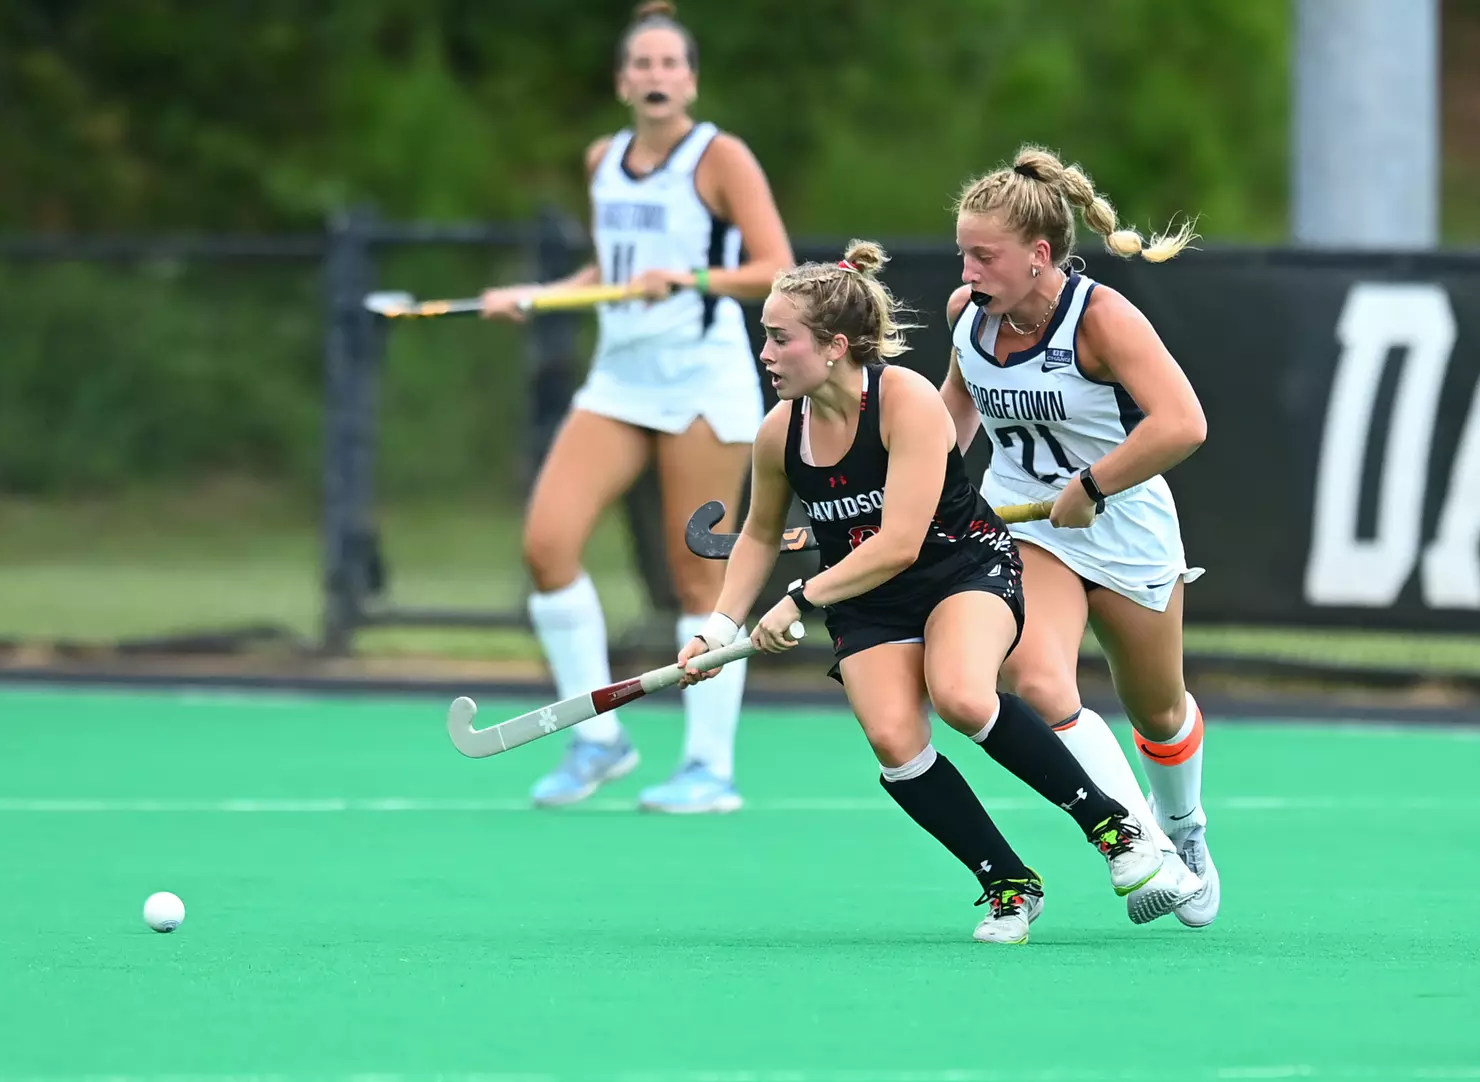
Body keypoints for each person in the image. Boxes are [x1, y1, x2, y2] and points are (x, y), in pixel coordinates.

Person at [677, 241, 1178, 945]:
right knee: (894, 740)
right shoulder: (777, 433)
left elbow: (901, 542)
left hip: (960, 570)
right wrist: (721, 626)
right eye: (766, 335)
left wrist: (797, 600)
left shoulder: (905, 401)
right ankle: (1007, 883)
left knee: (965, 695)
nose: (765, 351)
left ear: (834, 346)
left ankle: (1112, 827)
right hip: (866, 600)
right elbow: (759, 535)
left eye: (779, 337)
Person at [477, 1, 795, 813]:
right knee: (547, 546)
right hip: (619, 380)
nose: (656, 78)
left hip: (701, 377)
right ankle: (598, 737)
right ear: (623, 82)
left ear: (689, 79)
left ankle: (708, 767)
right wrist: (540, 296)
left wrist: (686, 279)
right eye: (641, 66)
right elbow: (609, 265)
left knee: (698, 571)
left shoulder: (719, 157)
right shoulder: (602, 159)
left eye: (669, 65)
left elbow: (775, 266)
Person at [941, 145, 1217, 927]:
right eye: (964, 251)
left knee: (1158, 710)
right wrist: (911, 494)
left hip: (1122, 523)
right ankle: (1141, 850)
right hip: (1027, 526)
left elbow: (1183, 423)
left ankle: (1185, 831)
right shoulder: (970, 316)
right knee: (1038, 680)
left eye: (984, 254)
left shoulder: (1100, 318)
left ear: (1038, 255)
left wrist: (1094, 485)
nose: (968, 269)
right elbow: (952, 416)